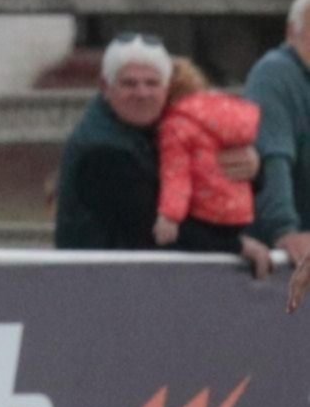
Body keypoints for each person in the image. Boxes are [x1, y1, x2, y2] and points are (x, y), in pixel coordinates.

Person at [56, 34, 262, 265]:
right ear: (106, 86)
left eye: (152, 83)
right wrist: (236, 247)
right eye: (129, 83)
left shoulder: (169, 130)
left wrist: (253, 168)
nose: (142, 93)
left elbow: (209, 183)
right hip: (99, 283)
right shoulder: (101, 151)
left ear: (167, 88)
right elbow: (152, 230)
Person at [153, 58, 270, 273]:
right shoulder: (225, 116)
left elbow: (177, 177)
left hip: (203, 215)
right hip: (239, 213)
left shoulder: (175, 126)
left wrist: (169, 217)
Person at [248, 0, 310, 271]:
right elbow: (273, 156)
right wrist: (284, 229)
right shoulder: (275, 74)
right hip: (285, 252)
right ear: (291, 31)